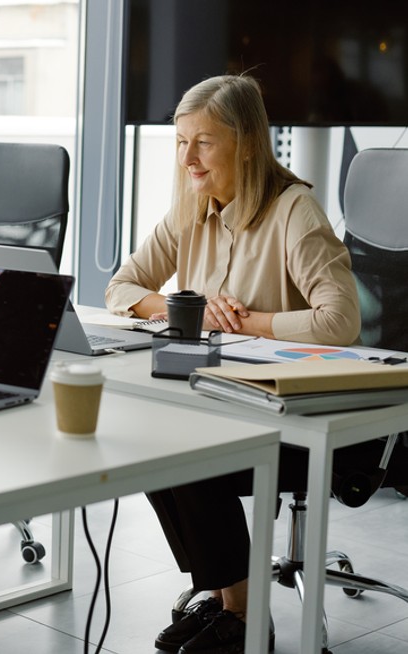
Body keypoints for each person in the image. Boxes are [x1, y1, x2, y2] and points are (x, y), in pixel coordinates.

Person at [105, 74, 408, 654]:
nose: (188, 159)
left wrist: (244, 322)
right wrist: (182, 309)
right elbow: (122, 286)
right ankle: (224, 600)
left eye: (204, 143)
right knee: (149, 446)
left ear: (245, 142)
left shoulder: (294, 210)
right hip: (236, 403)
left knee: (191, 455)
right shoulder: (192, 210)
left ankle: (244, 620)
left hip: (314, 418)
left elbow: (339, 322)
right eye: (180, 142)